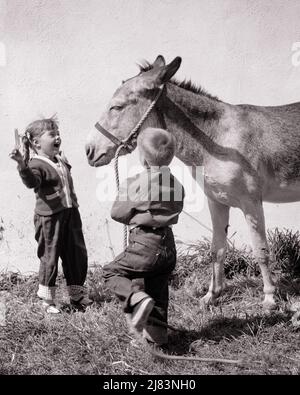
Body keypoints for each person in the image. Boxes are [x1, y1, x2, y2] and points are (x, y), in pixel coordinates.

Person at [103, 127, 185, 348]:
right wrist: (151, 214)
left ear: (144, 159)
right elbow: (175, 210)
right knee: (158, 290)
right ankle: (158, 337)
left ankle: (136, 299)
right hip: (167, 246)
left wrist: (137, 214)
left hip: (144, 245)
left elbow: (117, 213)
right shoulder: (177, 184)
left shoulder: (136, 182)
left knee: (111, 271)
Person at [9, 117, 91, 313]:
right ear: (36, 142)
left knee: (76, 254)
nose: (58, 137)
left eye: (58, 133)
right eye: (52, 134)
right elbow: (32, 182)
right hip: (50, 218)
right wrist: (22, 164)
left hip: (71, 214)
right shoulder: (35, 164)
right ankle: (47, 301)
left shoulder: (60, 159)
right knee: (50, 256)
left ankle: (77, 295)